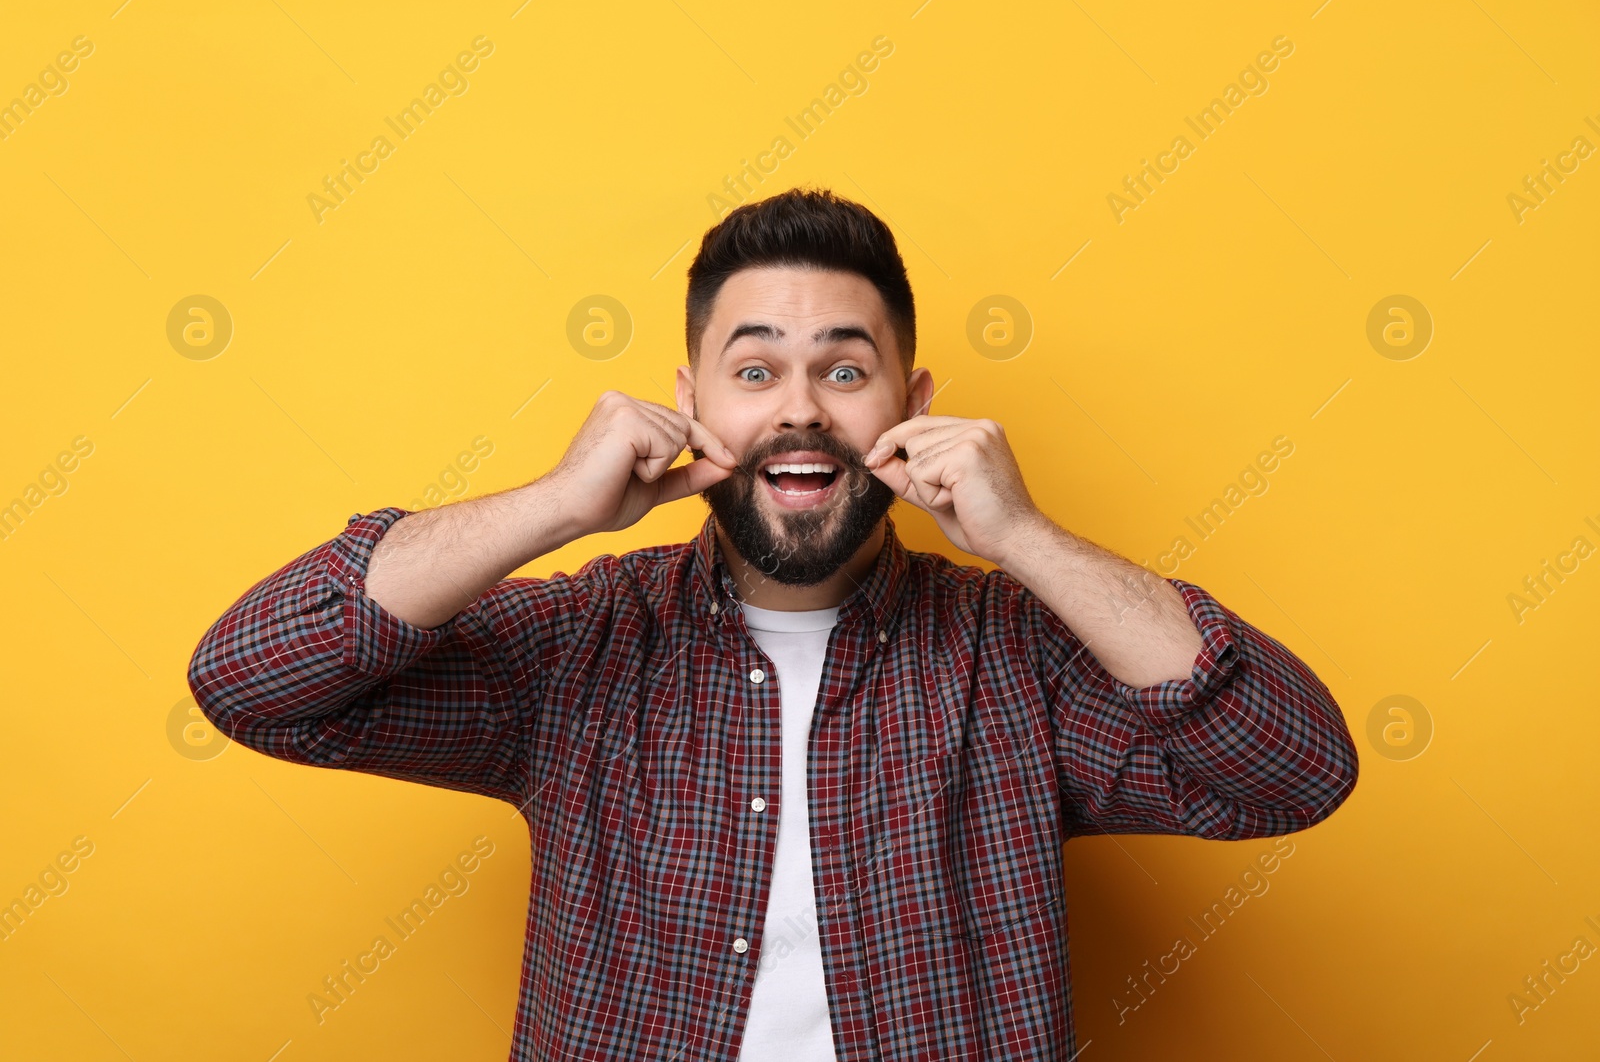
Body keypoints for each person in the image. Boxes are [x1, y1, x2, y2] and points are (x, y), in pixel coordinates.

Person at [188, 187, 1359, 1061]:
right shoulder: (575, 649)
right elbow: (250, 677)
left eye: (845, 372)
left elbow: (1293, 770)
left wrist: (1027, 538)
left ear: (913, 405)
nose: (799, 408)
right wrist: (553, 505)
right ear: (689, 402)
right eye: (754, 372)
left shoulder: (1020, 654)